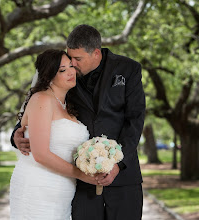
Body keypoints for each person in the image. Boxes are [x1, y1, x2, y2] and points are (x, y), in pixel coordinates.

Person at [11, 24, 146, 220]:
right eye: (69, 57)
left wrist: (118, 164)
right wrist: (17, 133)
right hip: (82, 182)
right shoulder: (66, 76)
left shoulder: (129, 69)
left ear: (96, 54)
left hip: (124, 177)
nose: (72, 65)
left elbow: (135, 120)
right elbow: (38, 103)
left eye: (78, 59)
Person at [9, 49, 97, 220]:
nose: (71, 72)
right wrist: (82, 175)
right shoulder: (42, 99)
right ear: (49, 75)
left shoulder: (67, 105)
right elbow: (40, 154)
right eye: (62, 70)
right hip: (38, 185)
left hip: (62, 190)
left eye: (71, 66)